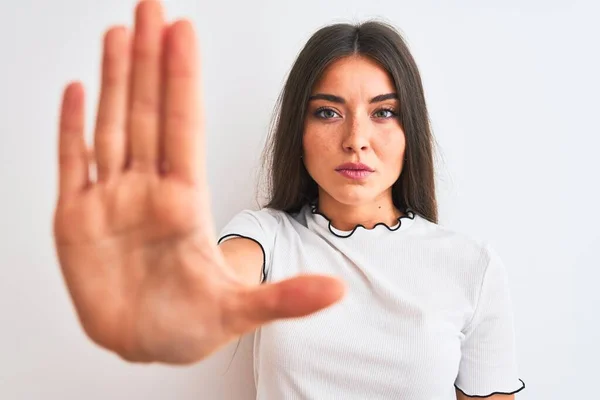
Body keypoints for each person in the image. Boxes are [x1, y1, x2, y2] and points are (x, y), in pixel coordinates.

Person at [53, 0, 525, 398]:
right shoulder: (267, 236)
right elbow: (221, 276)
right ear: (297, 132)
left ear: (411, 131)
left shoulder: (472, 266)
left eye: (383, 112)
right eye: (327, 112)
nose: (356, 138)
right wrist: (169, 297)